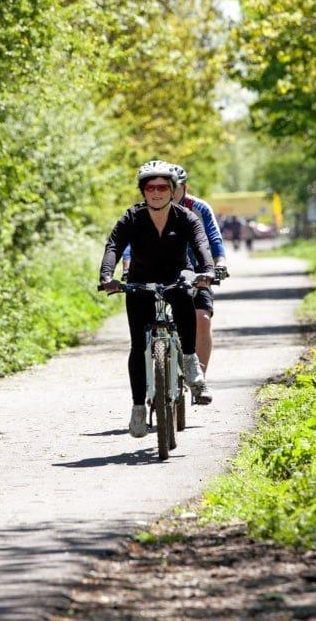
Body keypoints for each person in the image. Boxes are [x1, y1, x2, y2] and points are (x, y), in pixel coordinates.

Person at [100, 160, 214, 438]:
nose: (157, 192)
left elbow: (201, 244)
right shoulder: (132, 218)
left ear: (172, 190)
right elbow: (114, 245)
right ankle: (139, 408)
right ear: (143, 191)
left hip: (177, 276)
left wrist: (208, 270)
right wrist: (107, 276)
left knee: (185, 293)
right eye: (150, 187)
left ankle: (189, 361)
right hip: (140, 280)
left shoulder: (186, 218)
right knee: (138, 345)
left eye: (163, 187)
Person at [122, 163, 226, 403]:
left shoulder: (198, 209)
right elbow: (130, 244)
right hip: (158, 272)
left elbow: (213, 239)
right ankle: (151, 376)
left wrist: (219, 263)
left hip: (197, 271)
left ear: (181, 188)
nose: (162, 193)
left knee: (202, 318)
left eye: (169, 188)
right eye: (154, 187)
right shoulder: (144, 211)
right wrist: (127, 268)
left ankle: (198, 379)